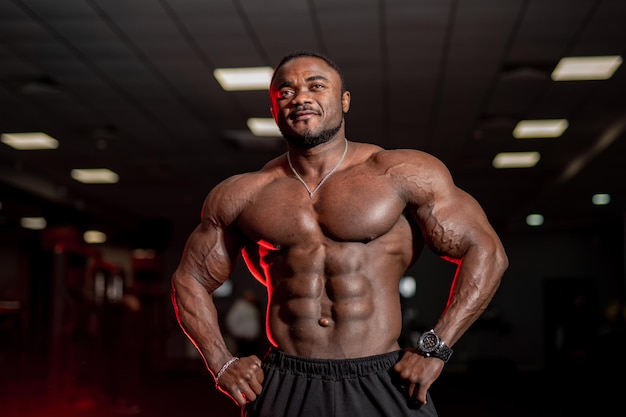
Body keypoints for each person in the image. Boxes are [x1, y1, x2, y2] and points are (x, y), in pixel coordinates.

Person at [171, 50, 508, 417]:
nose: (300, 97)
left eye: (316, 85)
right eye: (285, 92)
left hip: (384, 376)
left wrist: (435, 347)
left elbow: (486, 251)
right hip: (287, 380)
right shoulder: (242, 194)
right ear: (273, 110)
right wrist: (220, 363)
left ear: (344, 100)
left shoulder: (401, 173)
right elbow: (189, 278)